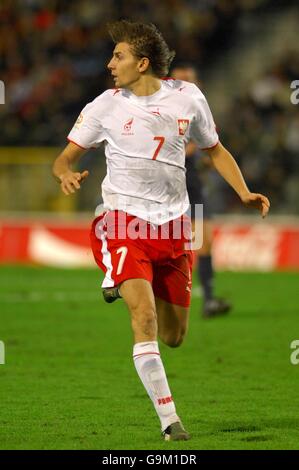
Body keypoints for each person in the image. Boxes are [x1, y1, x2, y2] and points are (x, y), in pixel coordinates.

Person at [52, 20, 270, 441]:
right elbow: (63, 158)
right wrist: (64, 174)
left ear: (143, 62)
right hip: (123, 223)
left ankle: (116, 273)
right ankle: (171, 421)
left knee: (174, 337)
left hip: (174, 229)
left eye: (118, 56)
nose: (109, 63)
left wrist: (242, 191)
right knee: (145, 316)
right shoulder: (104, 106)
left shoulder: (189, 99)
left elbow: (215, 149)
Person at [171, 64, 231, 318]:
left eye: (189, 81)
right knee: (165, 248)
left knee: (204, 242)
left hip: (192, 183)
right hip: (167, 187)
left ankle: (208, 300)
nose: (185, 86)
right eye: (180, 81)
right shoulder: (159, 111)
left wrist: (202, 159)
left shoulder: (200, 113)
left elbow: (210, 153)